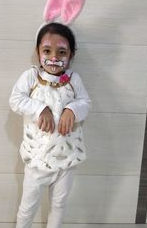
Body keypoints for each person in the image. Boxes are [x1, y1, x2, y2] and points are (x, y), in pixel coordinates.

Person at [9, 22, 91, 228]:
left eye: (61, 52)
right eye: (47, 50)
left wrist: (72, 109)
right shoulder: (31, 77)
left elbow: (85, 103)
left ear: (71, 55)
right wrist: (39, 108)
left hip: (66, 159)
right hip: (37, 160)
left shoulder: (74, 79)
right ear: (38, 52)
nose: (54, 58)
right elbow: (16, 99)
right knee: (27, 207)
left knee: (59, 205)